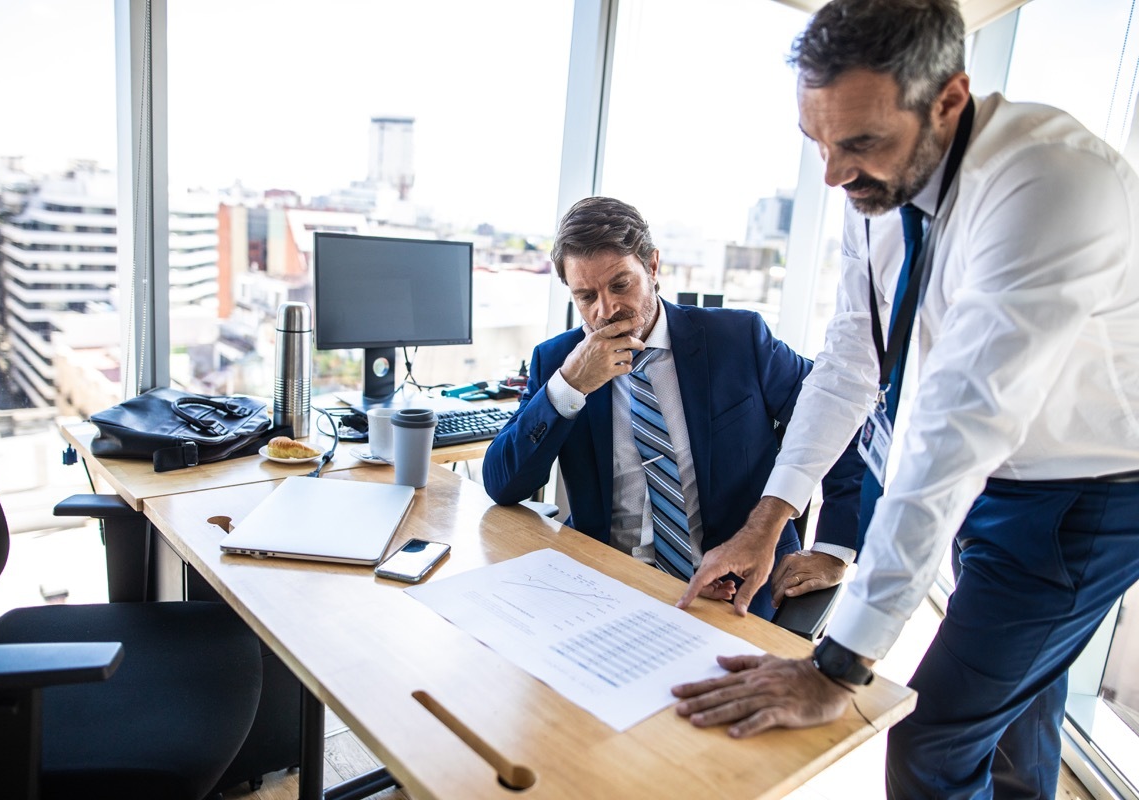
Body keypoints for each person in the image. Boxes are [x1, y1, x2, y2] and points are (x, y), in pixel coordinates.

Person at [672, 1, 1139, 797]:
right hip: (980, 481)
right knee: (1015, 697)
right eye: (817, 142)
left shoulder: (1052, 186)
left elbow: (961, 421)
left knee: (932, 740)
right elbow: (854, 357)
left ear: (949, 100)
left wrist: (839, 665)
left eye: (858, 143)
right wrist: (768, 520)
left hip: (1079, 504)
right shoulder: (885, 185)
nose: (832, 174)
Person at [482, 196, 863, 620]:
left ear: (653, 266)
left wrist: (834, 549)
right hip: (609, 589)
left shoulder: (739, 339)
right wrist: (569, 387)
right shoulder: (558, 362)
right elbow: (503, 484)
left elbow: (839, 421)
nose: (605, 311)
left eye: (621, 285)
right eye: (586, 296)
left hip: (739, 593)